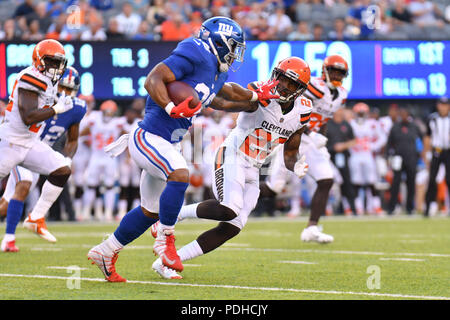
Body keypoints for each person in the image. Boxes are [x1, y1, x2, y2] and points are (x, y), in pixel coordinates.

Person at [87, 16, 278, 282]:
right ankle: (165, 240)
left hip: (166, 142)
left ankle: (106, 251)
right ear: (219, 41)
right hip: (149, 136)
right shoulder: (195, 50)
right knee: (179, 173)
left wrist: (256, 98)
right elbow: (153, 78)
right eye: (233, 46)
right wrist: (169, 106)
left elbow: (223, 97)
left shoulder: (216, 70)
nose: (235, 54)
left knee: (149, 211)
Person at [150, 57, 312, 279]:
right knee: (229, 208)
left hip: (253, 167)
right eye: (282, 79)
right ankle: (173, 216)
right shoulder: (261, 93)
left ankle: (165, 262)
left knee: (233, 226)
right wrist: (223, 91)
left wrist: (297, 165)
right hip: (232, 155)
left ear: (300, 89)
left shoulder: (303, 111)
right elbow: (231, 98)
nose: (284, 85)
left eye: (291, 83)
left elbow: (290, 153)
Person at [262, 55, 349, 243]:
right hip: (296, 135)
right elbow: (296, 106)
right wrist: (309, 131)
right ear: (325, 70)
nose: (336, 75)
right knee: (274, 188)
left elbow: (324, 119)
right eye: (333, 71)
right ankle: (235, 192)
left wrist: (321, 136)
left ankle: (311, 227)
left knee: (326, 180)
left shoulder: (341, 94)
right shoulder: (316, 87)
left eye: (340, 73)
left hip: (312, 141)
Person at [0, 66, 86, 251]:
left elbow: (72, 140)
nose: (65, 93)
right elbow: (25, 116)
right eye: (62, 87)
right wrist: (54, 109)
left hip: (40, 154)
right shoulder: (42, 97)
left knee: (7, 204)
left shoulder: (77, 108)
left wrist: (68, 159)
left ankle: (33, 220)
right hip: (21, 147)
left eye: (69, 89)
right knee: (24, 185)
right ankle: (9, 239)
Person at [80, 100, 123, 222]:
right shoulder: (94, 120)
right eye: (107, 111)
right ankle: (87, 211)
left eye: (111, 112)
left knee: (109, 186)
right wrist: (88, 141)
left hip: (110, 158)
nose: (109, 114)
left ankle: (108, 212)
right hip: (96, 155)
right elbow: (82, 134)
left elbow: (127, 136)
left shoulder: (118, 123)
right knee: (91, 185)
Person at [349, 103, 386, 215]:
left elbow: (383, 138)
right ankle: (358, 207)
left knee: (371, 181)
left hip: (367, 154)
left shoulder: (372, 124)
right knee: (356, 182)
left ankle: (375, 206)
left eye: (362, 113)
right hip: (355, 154)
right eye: (359, 113)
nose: (360, 115)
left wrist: (373, 146)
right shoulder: (351, 124)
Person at [386, 107, 423, 215]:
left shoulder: (414, 127)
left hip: (411, 158)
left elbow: (422, 140)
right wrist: (388, 157)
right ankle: (391, 208)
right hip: (398, 158)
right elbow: (389, 143)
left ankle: (410, 208)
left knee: (411, 184)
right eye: (401, 114)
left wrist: (419, 156)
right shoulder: (395, 127)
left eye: (405, 114)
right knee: (395, 183)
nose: (403, 116)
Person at [326, 108, 357, 215]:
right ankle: (328, 208)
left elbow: (354, 140)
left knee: (346, 182)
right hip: (330, 157)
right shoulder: (327, 124)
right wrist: (333, 148)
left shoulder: (346, 125)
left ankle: (350, 208)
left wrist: (343, 146)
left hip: (343, 157)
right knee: (328, 183)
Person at [424, 97, 450, 216]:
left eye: (446, 105)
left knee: (449, 179)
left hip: (448, 151)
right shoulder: (432, 118)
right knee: (432, 179)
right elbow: (428, 137)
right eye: (441, 104)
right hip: (437, 151)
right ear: (438, 105)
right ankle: (428, 208)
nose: (443, 107)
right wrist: (426, 153)